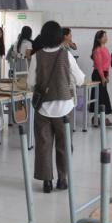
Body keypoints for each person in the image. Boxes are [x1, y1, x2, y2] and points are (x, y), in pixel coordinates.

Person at [28, 21, 85, 193]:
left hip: (43, 109)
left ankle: (47, 181)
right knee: (64, 145)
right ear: (60, 37)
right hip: (64, 108)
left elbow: (31, 83)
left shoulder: (36, 56)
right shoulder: (66, 55)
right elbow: (80, 79)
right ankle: (62, 179)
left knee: (43, 145)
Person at [90, 30, 112, 127]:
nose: (106, 38)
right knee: (100, 96)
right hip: (98, 75)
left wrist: (107, 75)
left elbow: (107, 64)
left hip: (104, 74)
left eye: (106, 36)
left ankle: (99, 117)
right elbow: (99, 66)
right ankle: (98, 118)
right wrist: (103, 78)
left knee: (103, 96)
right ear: (98, 39)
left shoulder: (105, 49)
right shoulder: (97, 50)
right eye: (104, 36)